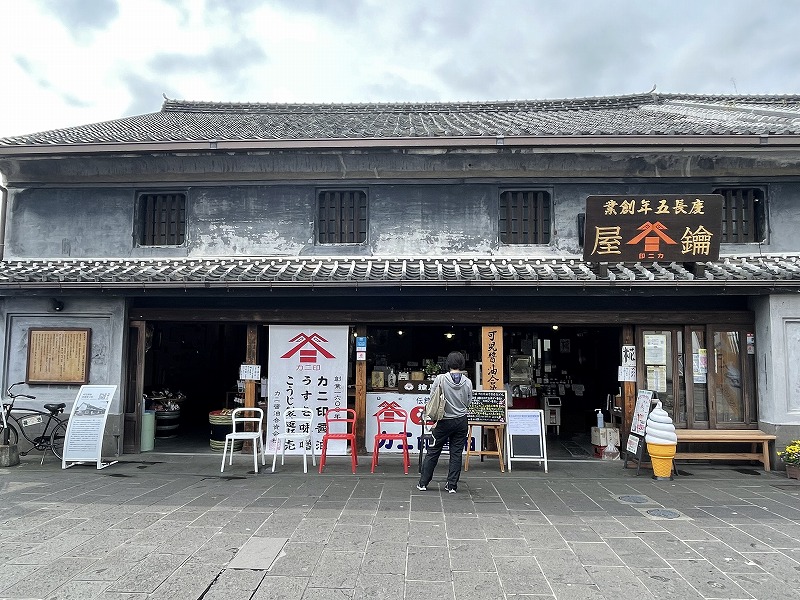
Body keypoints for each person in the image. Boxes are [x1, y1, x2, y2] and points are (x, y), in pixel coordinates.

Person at [417, 351, 472, 493]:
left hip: (443, 421)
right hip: (461, 421)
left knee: (434, 451)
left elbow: (432, 398)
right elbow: (468, 401)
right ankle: (452, 485)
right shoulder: (467, 382)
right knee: (456, 453)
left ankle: (423, 482)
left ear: (447, 363)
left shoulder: (440, 379)